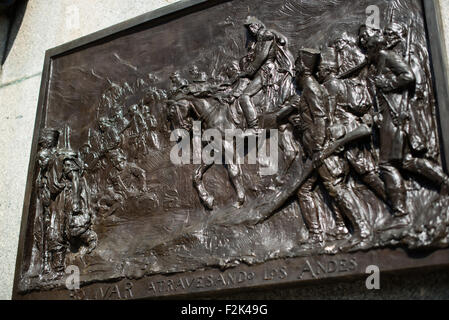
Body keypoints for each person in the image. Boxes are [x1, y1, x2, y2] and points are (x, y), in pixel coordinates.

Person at [359, 24, 449, 219]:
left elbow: (408, 76)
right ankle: (442, 181)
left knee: (387, 164)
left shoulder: (388, 56)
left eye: (366, 44)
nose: (364, 47)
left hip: (395, 116)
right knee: (405, 161)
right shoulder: (376, 63)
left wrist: (388, 84)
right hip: (386, 118)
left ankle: (400, 211)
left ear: (375, 45)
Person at [292, 48, 369, 245]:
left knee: (335, 187)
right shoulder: (311, 86)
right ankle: (332, 231)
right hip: (315, 148)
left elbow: (321, 118)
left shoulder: (310, 87)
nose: (295, 67)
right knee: (317, 188)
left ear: (304, 67)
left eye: (298, 63)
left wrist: (318, 147)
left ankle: (362, 228)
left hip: (322, 149)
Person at [238, 16, 294, 130]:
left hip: (266, 71)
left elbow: (262, 55)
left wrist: (249, 70)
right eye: (249, 27)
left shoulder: (265, 35)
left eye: (252, 25)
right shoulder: (259, 38)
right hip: (262, 71)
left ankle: (254, 127)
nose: (251, 29)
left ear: (258, 25)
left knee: (244, 96)